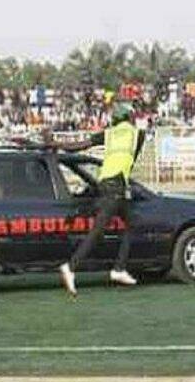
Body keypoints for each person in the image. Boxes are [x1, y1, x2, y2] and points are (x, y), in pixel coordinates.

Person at [54, 103, 146, 296]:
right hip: (116, 186)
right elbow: (133, 157)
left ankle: (119, 269)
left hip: (104, 183)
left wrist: (56, 145)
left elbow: (77, 147)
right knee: (98, 230)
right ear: (130, 117)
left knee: (132, 223)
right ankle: (71, 267)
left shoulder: (109, 133)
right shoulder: (138, 133)